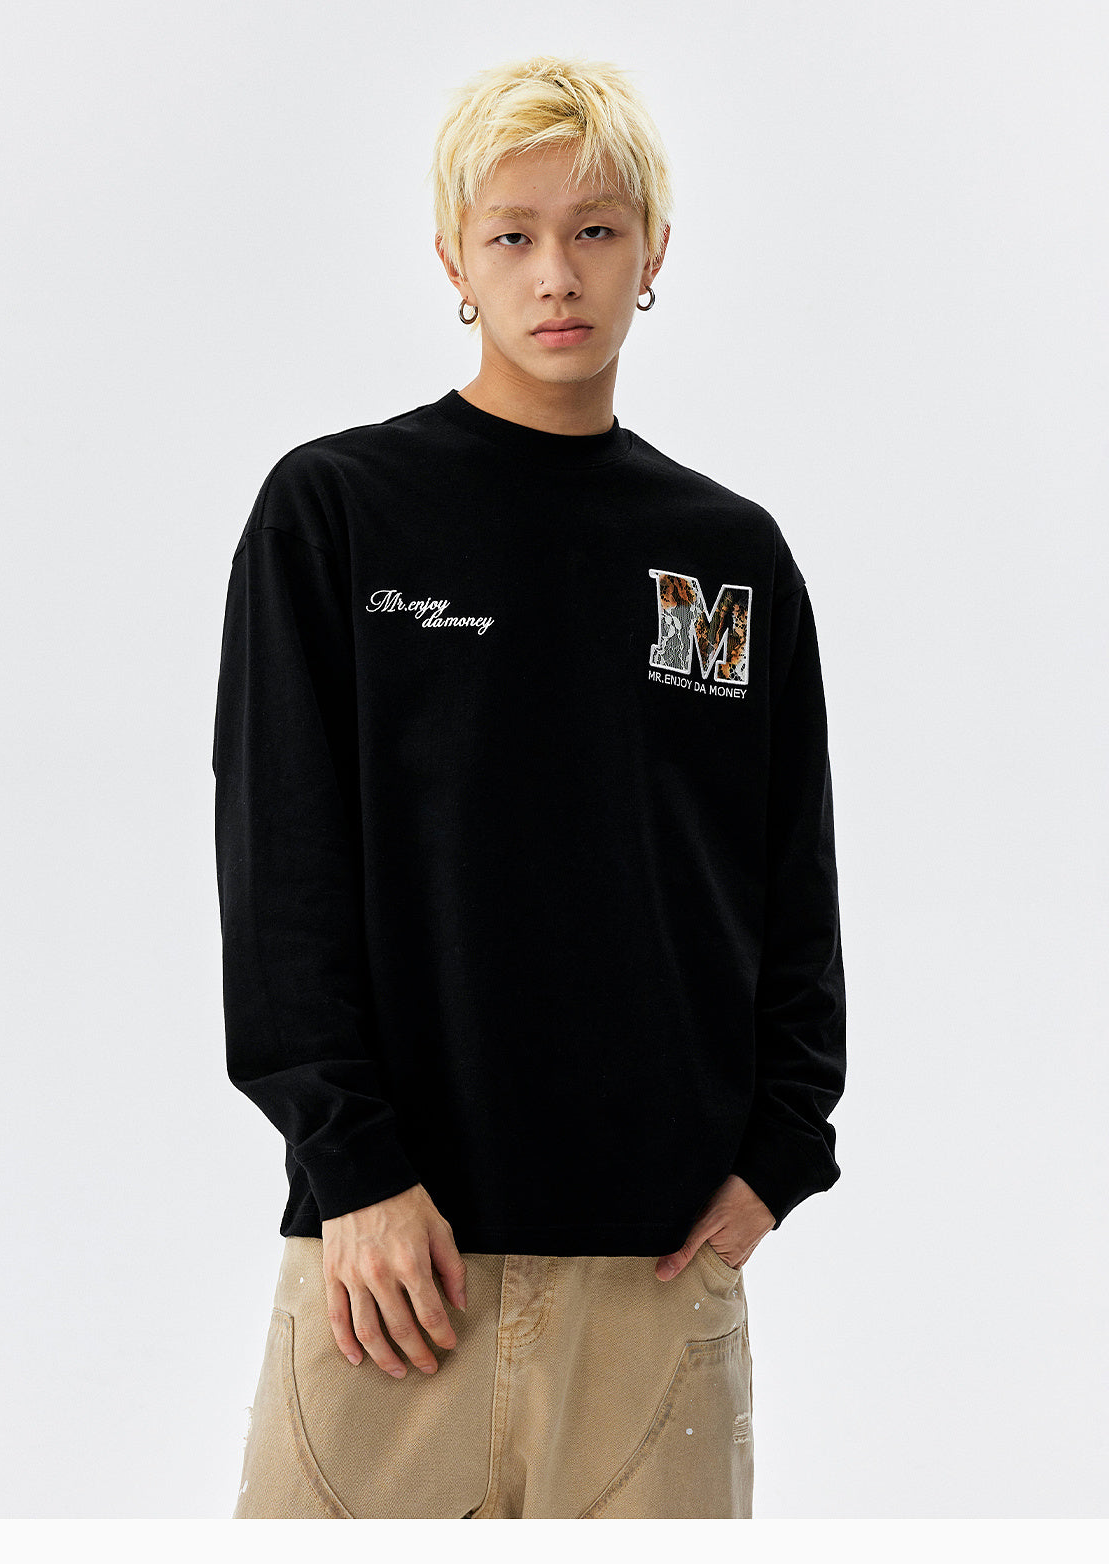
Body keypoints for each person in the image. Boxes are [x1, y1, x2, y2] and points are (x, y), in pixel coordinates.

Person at [212, 53, 846, 1520]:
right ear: (455, 258)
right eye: (513, 233)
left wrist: (780, 1154)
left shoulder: (728, 556)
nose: (556, 273)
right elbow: (281, 859)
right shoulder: (337, 511)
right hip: (387, 1267)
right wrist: (354, 1170)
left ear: (654, 253)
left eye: (596, 230)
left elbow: (785, 871)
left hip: (656, 1281)